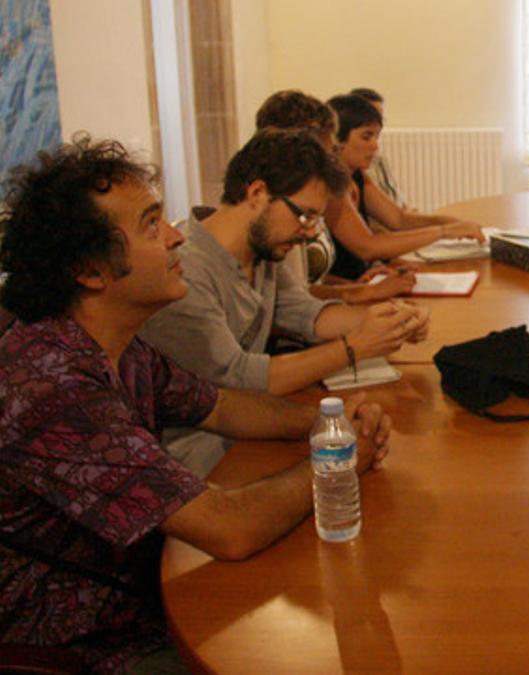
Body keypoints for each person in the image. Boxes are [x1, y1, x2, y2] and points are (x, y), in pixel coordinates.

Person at [0, 138, 392, 674]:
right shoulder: (55, 389)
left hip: (141, 590)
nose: (176, 236)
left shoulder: (117, 345)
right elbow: (229, 529)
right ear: (91, 270)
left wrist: (332, 422)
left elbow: (222, 406)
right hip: (91, 639)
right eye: (151, 225)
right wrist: (342, 456)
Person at [137, 129, 427, 473]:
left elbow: (305, 312)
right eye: (304, 216)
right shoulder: (186, 271)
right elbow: (237, 377)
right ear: (257, 193)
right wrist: (354, 346)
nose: (309, 232)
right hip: (203, 459)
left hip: (253, 430)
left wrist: (392, 320)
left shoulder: (261, 251)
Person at [255, 89, 416, 301]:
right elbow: (289, 303)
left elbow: (305, 283)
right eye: (326, 150)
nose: (331, 157)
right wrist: (363, 292)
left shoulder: (306, 193)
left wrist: (352, 286)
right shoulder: (276, 208)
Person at [324, 93, 485, 281]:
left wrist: (449, 222)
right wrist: (444, 232)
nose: (375, 146)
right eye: (366, 137)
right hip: (345, 288)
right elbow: (368, 247)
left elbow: (399, 219)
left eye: (376, 137)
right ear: (337, 140)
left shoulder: (356, 175)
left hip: (368, 276)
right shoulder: (330, 186)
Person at [348, 86, 404, 211]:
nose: (375, 145)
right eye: (366, 136)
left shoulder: (376, 160)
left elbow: (399, 215)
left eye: (380, 118)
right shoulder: (339, 184)